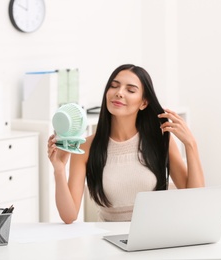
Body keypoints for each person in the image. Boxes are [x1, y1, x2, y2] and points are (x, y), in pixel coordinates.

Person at [47, 64, 204, 224]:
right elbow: (69, 216)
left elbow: (194, 199)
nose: (119, 93)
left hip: (154, 237)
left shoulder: (160, 139)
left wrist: (191, 144)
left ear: (143, 103)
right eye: (114, 86)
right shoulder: (86, 147)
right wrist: (59, 169)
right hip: (108, 240)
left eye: (130, 90)